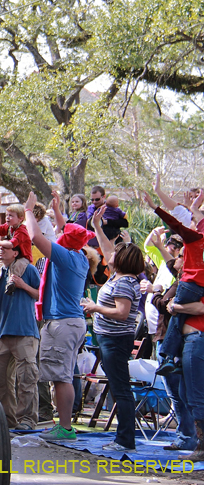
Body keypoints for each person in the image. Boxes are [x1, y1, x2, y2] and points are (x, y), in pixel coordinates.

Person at [25, 191, 91, 442]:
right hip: (69, 322)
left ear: (65, 241)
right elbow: (68, 230)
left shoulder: (65, 258)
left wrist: (30, 211)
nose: (58, 234)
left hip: (63, 323)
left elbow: (35, 237)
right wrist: (58, 208)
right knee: (60, 376)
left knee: (61, 378)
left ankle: (65, 427)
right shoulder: (78, 256)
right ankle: (63, 425)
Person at [81, 208, 144, 451]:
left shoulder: (126, 282)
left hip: (116, 341)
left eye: (116, 254)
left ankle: (125, 440)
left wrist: (96, 307)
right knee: (119, 386)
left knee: (121, 389)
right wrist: (97, 226)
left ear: (123, 260)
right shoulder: (118, 276)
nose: (109, 255)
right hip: (109, 339)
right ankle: (123, 437)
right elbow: (108, 250)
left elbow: (122, 313)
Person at [140, 190, 204, 376]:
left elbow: (175, 223)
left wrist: (155, 207)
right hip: (199, 286)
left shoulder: (194, 238)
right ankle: (173, 357)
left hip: (190, 284)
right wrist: (193, 206)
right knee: (179, 315)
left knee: (176, 314)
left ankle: (169, 356)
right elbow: (195, 217)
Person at [0, 241, 41, 430]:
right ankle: (7, 420)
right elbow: (0, 304)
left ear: (16, 252)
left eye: (5, 248)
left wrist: (23, 285)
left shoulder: (29, 269)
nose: (0, 251)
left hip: (25, 332)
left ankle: (27, 420)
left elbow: (40, 295)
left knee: (26, 379)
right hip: (4, 332)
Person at [150, 251, 199, 452]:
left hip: (182, 343)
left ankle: (188, 436)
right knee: (181, 393)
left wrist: (156, 293)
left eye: (180, 254)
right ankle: (187, 436)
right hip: (176, 342)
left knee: (183, 394)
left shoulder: (185, 284)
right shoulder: (180, 280)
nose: (175, 258)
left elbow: (165, 306)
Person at [166, 281, 204, 461]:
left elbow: (201, 308)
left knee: (195, 397)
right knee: (186, 393)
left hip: (198, 339)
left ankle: (202, 448)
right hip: (190, 340)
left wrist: (176, 306)